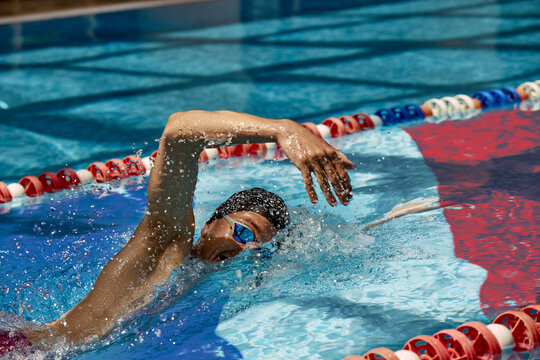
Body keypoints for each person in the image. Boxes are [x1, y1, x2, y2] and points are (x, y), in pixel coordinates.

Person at [1, 110, 445, 355]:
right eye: (243, 231)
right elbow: (178, 131)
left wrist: (383, 222)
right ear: (212, 220)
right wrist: (283, 129)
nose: (244, 249)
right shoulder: (168, 242)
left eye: (258, 246)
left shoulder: (207, 273)